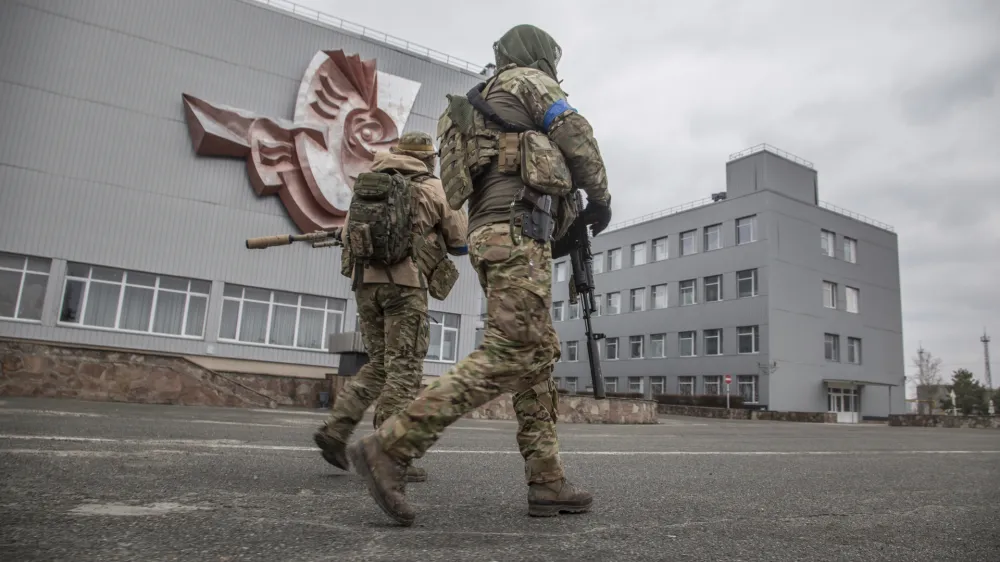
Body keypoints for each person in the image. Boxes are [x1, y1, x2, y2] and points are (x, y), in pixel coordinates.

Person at [346, 24, 613, 526]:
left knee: (535, 356)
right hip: (517, 231)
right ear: (537, 55)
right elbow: (577, 136)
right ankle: (392, 446)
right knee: (513, 350)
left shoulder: (470, 104)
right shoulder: (528, 83)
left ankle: (547, 479)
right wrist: (600, 198)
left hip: (491, 235)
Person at [313, 131, 469, 483]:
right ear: (429, 158)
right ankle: (388, 451)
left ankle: (336, 429)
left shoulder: (368, 185)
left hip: (365, 284)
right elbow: (460, 242)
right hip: (405, 287)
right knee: (405, 369)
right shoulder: (432, 188)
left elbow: (349, 234)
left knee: (380, 363)